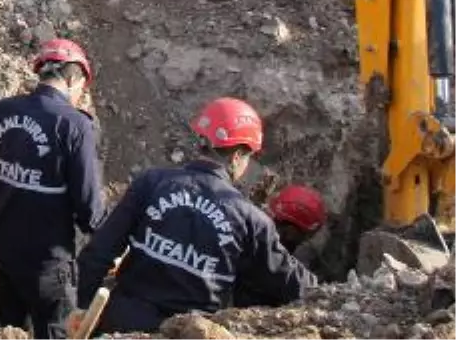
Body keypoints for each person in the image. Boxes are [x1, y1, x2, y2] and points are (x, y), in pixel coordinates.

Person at [72, 97, 317, 335]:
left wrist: (76, 306)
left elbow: (99, 253)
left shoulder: (151, 183)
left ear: (201, 140)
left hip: (124, 323)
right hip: (191, 331)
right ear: (236, 156)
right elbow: (287, 280)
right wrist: (333, 292)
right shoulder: (250, 220)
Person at [0, 38, 105, 338]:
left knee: (9, 329)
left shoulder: (0, 112)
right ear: (73, 78)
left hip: (3, 249)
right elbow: (88, 208)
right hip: (47, 263)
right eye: (83, 86)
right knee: (55, 330)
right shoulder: (74, 126)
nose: (82, 95)